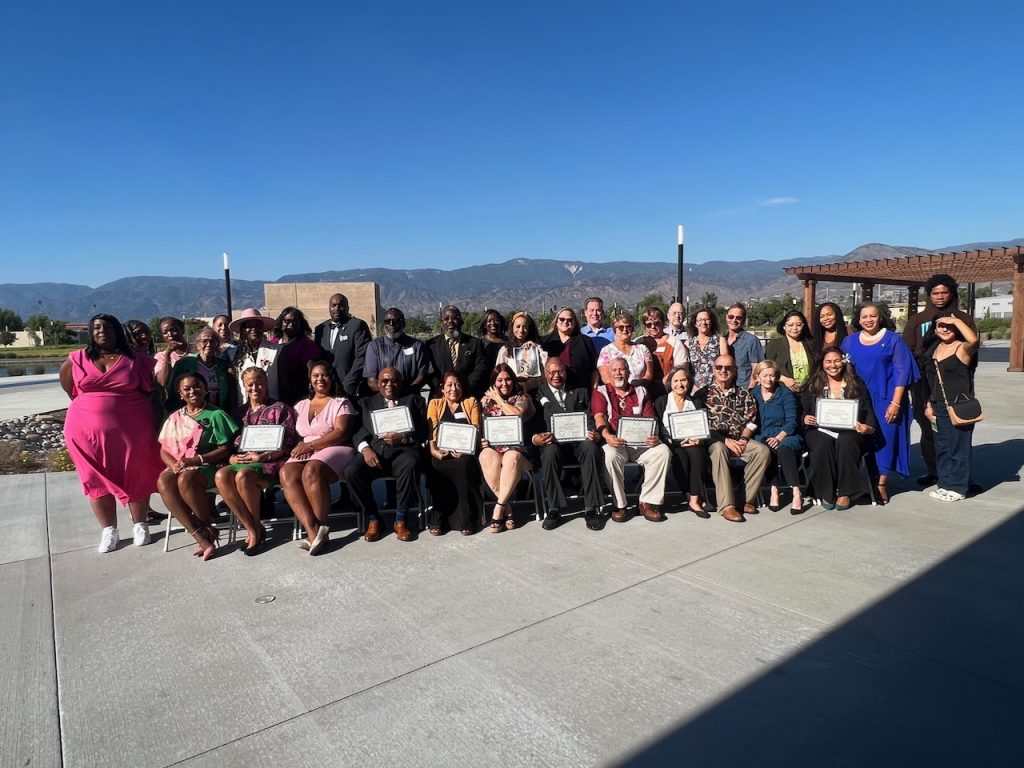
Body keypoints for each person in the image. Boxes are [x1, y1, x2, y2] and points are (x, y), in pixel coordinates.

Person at [61, 313, 164, 552]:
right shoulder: (77, 358)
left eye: (107, 327)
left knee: (135, 471)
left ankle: (140, 524)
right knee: (93, 477)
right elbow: (68, 386)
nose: (101, 331)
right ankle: (109, 530)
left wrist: (166, 360)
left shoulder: (136, 359)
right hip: (84, 432)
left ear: (117, 331)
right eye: (96, 327)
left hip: (133, 428)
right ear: (90, 332)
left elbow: (158, 383)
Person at [902, 274, 977, 487]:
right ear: (929, 295)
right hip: (922, 383)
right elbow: (906, 351)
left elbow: (973, 350)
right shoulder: (917, 321)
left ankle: (962, 477)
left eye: (944, 292)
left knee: (959, 432)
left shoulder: (964, 319)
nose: (940, 296)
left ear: (952, 293)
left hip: (956, 384)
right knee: (929, 429)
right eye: (935, 293)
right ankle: (935, 471)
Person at [214, 367, 297, 555]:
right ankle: (253, 527)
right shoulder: (238, 413)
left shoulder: (281, 409)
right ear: (243, 386)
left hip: (270, 462)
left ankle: (254, 531)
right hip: (242, 460)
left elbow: (288, 442)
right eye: (250, 384)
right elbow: (230, 444)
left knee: (243, 476)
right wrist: (231, 457)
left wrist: (264, 456)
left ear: (266, 383)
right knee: (221, 476)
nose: (255, 388)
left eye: (259, 383)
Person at [841, 302, 919, 503]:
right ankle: (859, 480)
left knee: (886, 439)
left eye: (872, 316)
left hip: (886, 399)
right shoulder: (849, 342)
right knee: (859, 438)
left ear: (881, 317)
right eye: (864, 316)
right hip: (857, 399)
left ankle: (881, 483)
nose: (868, 320)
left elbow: (903, 372)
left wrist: (896, 403)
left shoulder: (893, 340)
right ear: (858, 319)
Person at [157, 373, 238, 560]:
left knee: (187, 478)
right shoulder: (174, 418)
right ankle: (200, 534)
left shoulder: (216, 415)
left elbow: (225, 449)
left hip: (209, 465)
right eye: (187, 388)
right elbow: (164, 449)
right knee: (164, 480)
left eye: (197, 386)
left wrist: (196, 461)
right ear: (180, 394)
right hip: (182, 465)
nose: (193, 391)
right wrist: (175, 466)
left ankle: (207, 526)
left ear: (205, 389)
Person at [280, 361, 358, 554]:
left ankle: (321, 525)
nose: (320, 379)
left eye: (324, 375)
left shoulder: (340, 402)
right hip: (306, 448)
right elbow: (297, 434)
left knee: (311, 470)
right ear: (310, 380)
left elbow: (341, 432)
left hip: (336, 448)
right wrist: (301, 444)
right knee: (286, 472)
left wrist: (311, 445)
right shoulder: (300, 405)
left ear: (331, 378)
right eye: (315, 376)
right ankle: (314, 531)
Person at [345, 367, 428, 542]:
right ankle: (373, 518)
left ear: (401, 383)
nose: (389, 384)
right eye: (385, 381)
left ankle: (400, 519)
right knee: (352, 471)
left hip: (403, 452)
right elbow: (357, 431)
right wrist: (365, 449)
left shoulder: (413, 401)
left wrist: (404, 437)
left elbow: (424, 431)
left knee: (411, 463)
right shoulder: (365, 403)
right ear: (377, 383)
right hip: (374, 453)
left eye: (394, 380)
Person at [529, 357, 605, 531]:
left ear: (565, 372)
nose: (556, 376)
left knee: (591, 448)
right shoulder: (536, 394)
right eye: (552, 372)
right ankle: (554, 509)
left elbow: (591, 417)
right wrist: (536, 438)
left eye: (560, 371)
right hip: (552, 444)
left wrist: (594, 433)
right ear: (545, 373)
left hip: (578, 443)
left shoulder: (580, 392)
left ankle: (590, 508)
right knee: (548, 453)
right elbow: (531, 425)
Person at [592, 357, 671, 522]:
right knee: (609, 455)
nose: (618, 373)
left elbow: (651, 419)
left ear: (628, 372)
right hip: (615, 442)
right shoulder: (601, 391)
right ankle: (620, 504)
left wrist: (654, 436)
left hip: (640, 444)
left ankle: (647, 502)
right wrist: (607, 436)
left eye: (622, 369)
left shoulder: (641, 391)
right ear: (609, 373)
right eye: (614, 370)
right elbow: (599, 416)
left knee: (662, 451)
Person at [800, 348, 879, 509]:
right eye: (828, 361)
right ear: (822, 364)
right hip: (819, 429)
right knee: (822, 444)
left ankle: (846, 492)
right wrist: (804, 418)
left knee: (846, 443)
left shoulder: (855, 383)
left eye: (837, 361)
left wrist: (868, 427)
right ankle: (825, 491)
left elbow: (868, 410)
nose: (833, 365)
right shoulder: (813, 385)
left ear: (844, 362)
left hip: (850, 430)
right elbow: (801, 410)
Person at [700, 354, 771, 523]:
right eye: (719, 367)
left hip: (740, 439)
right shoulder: (703, 395)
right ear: (713, 370)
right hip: (714, 441)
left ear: (735, 371)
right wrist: (725, 441)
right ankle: (727, 506)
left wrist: (744, 439)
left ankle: (744, 499)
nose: (723, 371)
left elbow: (752, 422)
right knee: (719, 449)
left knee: (762, 451)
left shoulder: (744, 394)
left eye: (728, 367)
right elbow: (700, 425)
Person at [923, 315, 980, 502]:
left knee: (959, 446)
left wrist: (956, 321)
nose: (944, 329)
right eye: (940, 326)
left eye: (949, 326)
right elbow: (931, 382)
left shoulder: (961, 348)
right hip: (938, 405)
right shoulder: (934, 349)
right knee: (942, 446)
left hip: (958, 405)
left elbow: (973, 339)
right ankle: (945, 483)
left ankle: (958, 487)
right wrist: (929, 404)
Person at [425, 370, 483, 535]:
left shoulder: (471, 402)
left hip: (466, 453)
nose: (453, 388)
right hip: (441, 453)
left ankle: (466, 519)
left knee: (463, 466)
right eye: (449, 385)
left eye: (457, 384)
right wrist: (434, 451)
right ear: (442, 388)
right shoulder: (435, 404)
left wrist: (465, 450)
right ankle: (438, 519)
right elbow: (431, 432)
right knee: (435, 466)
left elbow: (476, 429)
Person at [479, 364, 535, 532]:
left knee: (511, 457)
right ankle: (507, 508)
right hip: (496, 450)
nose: (504, 384)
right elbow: (480, 427)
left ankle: (498, 510)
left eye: (508, 379)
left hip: (520, 452)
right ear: (493, 382)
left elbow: (516, 414)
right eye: (499, 380)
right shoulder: (485, 402)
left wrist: (498, 400)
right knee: (485, 455)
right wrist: (482, 440)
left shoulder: (522, 397)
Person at [653, 366, 708, 518]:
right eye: (675, 381)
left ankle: (695, 499)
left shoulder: (696, 402)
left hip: (693, 441)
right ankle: (688, 493)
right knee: (680, 458)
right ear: (670, 383)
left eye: (683, 380)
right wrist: (672, 442)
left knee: (698, 454)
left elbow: (704, 425)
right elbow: (656, 428)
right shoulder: (662, 402)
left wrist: (700, 438)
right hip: (670, 442)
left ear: (689, 382)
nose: (680, 384)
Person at [750, 360, 804, 513]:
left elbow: (792, 421)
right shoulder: (752, 395)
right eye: (765, 375)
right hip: (763, 435)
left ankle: (796, 491)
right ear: (758, 377)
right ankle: (774, 490)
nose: (768, 379)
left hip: (787, 434)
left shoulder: (785, 393)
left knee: (784, 448)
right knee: (767, 448)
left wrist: (779, 437)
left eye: (772, 375)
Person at [313, 293, 371, 401]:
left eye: (341, 305)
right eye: (333, 305)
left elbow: (361, 358)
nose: (337, 308)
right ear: (329, 308)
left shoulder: (357, 325)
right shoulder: (321, 329)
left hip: (350, 391)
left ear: (347, 308)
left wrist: (347, 387)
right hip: (326, 390)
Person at [167, 326, 236, 412]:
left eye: (212, 341)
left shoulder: (223, 365)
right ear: (197, 344)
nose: (208, 344)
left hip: (217, 413)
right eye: (204, 341)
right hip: (191, 414)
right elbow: (173, 391)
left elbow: (231, 394)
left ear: (217, 344)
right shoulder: (184, 364)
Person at [364, 308, 431, 394]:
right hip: (383, 401)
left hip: (410, 397)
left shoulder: (417, 346)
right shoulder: (374, 347)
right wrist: (388, 397)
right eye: (388, 321)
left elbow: (422, 375)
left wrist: (406, 395)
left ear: (403, 324)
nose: (392, 324)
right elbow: (371, 380)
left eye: (396, 321)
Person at [427, 305, 490, 397]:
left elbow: (480, 369)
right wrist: (442, 387)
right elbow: (429, 371)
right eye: (446, 318)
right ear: (441, 323)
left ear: (461, 321)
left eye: (455, 318)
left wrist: (462, 386)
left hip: (469, 394)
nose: (450, 321)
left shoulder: (475, 343)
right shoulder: (430, 345)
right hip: (440, 395)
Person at [540, 307, 599, 392]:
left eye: (570, 320)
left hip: (580, 391)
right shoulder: (544, 342)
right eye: (562, 319)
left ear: (575, 323)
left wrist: (594, 390)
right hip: (550, 393)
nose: (565, 322)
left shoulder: (586, 342)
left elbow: (594, 370)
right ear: (556, 322)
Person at [273, 307, 323, 406]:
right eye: (287, 321)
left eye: (295, 321)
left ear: (301, 324)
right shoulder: (273, 343)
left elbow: (311, 371)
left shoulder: (306, 345)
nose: (291, 325)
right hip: (274, 392)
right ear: (280, 322)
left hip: (297, 394)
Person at [230, 308, 282, 401]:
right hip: (244, 408)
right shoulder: (232, 354)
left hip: (271, 406)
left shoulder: (277, 350)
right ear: (243, 330)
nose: (254, 329)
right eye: (249, 326)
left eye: (258, 326)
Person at [637, 306, 689, 391]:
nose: (653, 327)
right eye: (649, 324)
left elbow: (681, 366)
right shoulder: (638, 343)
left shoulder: (674, 342)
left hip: (668, 388)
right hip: (643, 389)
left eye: (657, 323)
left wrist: (665, 381)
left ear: (663, 323)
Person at [496, 311, 549, 392]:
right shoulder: (505, 350)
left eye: (525, 327)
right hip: (515, 391)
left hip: (536, 390)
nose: (521, 330)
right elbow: (499, 374)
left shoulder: (536, 348)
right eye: (517, 326)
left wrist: (536, 348)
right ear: (512, 327)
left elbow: (547, 367)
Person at [765, 310, 815, 393]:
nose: (795, 328)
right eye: (790, 325)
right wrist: (784, 379)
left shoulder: (810, 344)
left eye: (799, 325)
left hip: (808, 391)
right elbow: (766, 368)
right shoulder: (775, 345)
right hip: (783, 391)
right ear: (784, 326)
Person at [598, 311, 653, 386]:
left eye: (628, 326)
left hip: (640, 391)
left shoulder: (642, 349)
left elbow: (649, 374)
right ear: (615, 329)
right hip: (616, 394)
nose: (625, 329)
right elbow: (606, 378)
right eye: (621, 327)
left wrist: (637, 388)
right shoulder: (606, 351)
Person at [684, 307, 729, 390]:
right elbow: (685, 369)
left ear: (711, 322)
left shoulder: (720, 341)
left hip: (715, 388)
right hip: (693, 389)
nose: (703, 322)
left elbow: (725, 366)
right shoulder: (688, 343)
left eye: (706, 319)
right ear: (695, 323)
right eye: (700, 320)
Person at [723, 303, 764, 388]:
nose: (734, 320)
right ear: (726, 317)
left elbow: (756, 368)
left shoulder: (751, 341)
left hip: (743, 388)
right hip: (725, 389)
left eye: (738, 318)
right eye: (731, 316)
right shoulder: (721, 340)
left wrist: (750, 390)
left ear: (743, 320)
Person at [154, 316, 190, 389]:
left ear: (182, 330)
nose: (169, 334)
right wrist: (168, 354)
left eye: (173, 330)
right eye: (165, 332)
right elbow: (162, 382)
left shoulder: (198, 349)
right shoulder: (161, 356)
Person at [477, 309, 508, 373]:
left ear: (500, 322)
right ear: (485, 324)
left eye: (496, 320)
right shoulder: (480, 343)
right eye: (489, 321)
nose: (493, 323)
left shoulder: (509, 341)